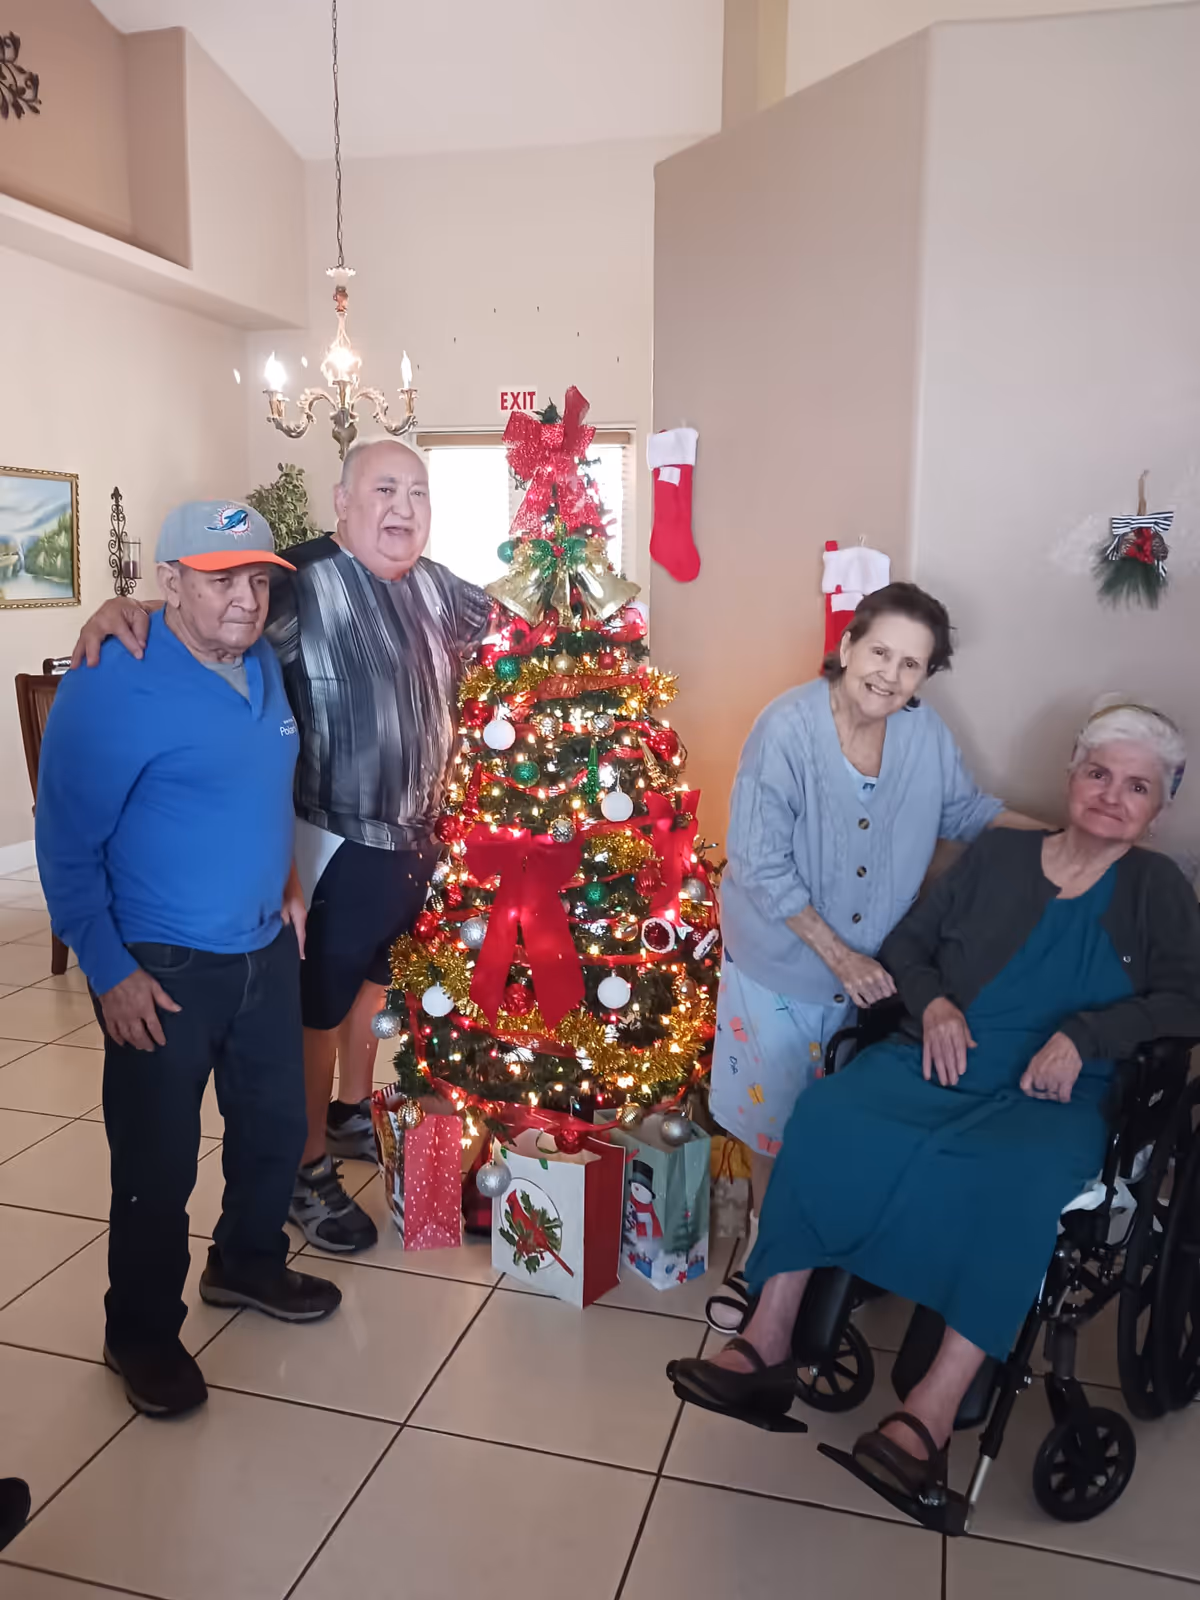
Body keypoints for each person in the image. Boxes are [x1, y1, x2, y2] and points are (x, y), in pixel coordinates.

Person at [671, 701, 1200, 1513]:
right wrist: (937, 1004)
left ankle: (930, 1415)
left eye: (1137, 786)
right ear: (1072, 775)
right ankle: (768, 1338)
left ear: (1159, 806)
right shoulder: (1002, 855)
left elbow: (1186, 1001)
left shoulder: (1158, 888)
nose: (1112, 796)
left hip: (1057, 1090)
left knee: (1018, 1180)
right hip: (937, 1053)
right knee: (829, 1116)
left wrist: (1089, 1034)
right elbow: (908, 947)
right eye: (1099, 774)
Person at [71, 441, 492, 1252]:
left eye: (417, 492)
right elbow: (204, 617)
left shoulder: (440, 588)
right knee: (315, 1010)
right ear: (342, 501)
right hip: (331, 839)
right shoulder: (297, 581)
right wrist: (119, 613)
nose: (403, 508)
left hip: (416, 838)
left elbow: (519, 629)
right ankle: (305, 1167)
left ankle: (348, 1112)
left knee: (374, 986)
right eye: (384, 490)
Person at [39, 502, 341, 1419]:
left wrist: (288, 882)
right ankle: (138, 1332)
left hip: (263, 949)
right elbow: (64, 844)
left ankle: (245, 1263)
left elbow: (260, 791)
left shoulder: (261, 663)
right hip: (160, 964)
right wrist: (107, 968)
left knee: (273, 1130)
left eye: (257, 580)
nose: (246, 599)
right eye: (221, 580)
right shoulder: (111, 679)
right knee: (157, 1166)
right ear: (168, 582)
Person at [706, 582, 1039, 1333]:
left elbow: (967, 812)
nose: (890, 675)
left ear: (925, 676)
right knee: (777, 1128)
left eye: (911, 664)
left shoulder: (924, 734)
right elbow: (758, 861)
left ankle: (826, 1260)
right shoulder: (786, 727)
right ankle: (764, 1263)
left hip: (873, 974)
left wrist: (1067, 839)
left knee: (845, 1124)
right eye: (880, 652)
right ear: (848, 646)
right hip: (783, 967)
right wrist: (840, 957)